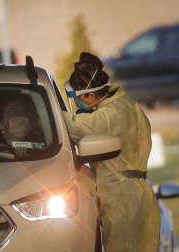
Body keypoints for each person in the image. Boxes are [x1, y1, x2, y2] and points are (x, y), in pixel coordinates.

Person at [62, 52, 160, 252]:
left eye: (79, 98)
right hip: (139, 193)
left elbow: (74, 128)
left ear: (91, 95)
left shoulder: (108, 116)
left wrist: (59, 113)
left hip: (121, 199)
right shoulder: (125, 103)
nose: (78, 103)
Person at [0, 94, 45, 160]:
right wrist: (4, 156)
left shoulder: (40, 142)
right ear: (0, 125)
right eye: (14, 112)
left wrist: (29, 154)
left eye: (24, 112)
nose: (22, 115)